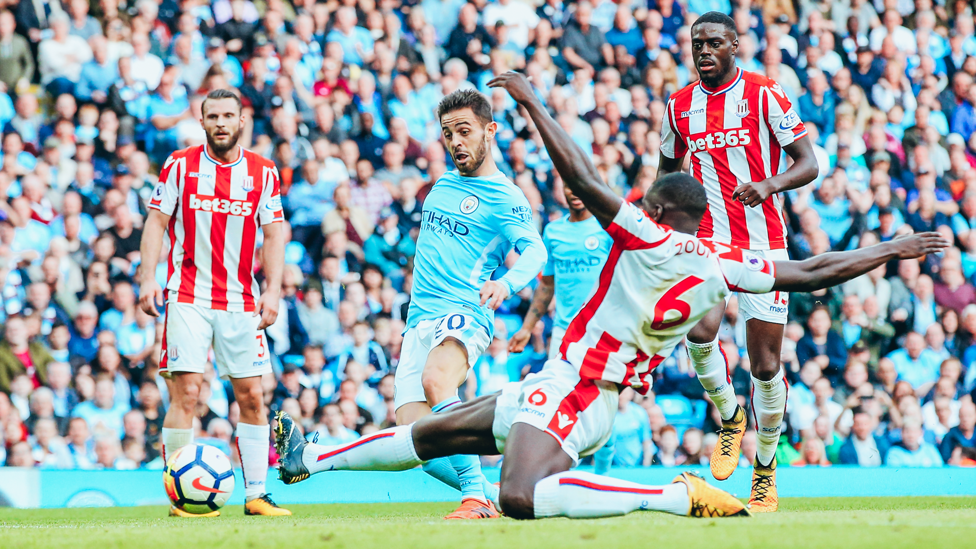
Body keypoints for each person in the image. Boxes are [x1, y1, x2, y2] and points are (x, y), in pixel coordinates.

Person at [272, 71, 947, 522]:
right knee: (432, 432)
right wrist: (890, 249)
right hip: (571, 382)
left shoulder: (644, 235)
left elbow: (580, 173)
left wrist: (533, 103)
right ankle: (311, 459)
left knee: (518, 494)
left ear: (658, 204)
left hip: (581, 389)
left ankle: (672, 495)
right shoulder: (724, 262)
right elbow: (812, 269)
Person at [656, 12, 820, 512]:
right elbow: (667, 172)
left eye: (712, 43)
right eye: (695, 44)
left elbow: (810, 163)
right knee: (698, 332)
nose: (703, 51)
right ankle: (729, 416)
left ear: (734, 45)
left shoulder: (766, 93)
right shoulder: (679, 105)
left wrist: (768, 186)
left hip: (764, 243)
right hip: (706, 243)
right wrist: (660, 224)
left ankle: (765, 472)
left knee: (766, 366)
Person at [392, 88, 548, 520]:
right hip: (419, 319)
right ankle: (489, 491)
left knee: (437, 380)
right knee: (415, 435)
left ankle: (475, 500)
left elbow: (534, 250)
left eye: (465, 131)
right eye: (448, 133)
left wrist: (508, 283)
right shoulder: (441, 186)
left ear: (489, 131)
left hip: (464, 311)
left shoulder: (505, 195)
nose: (456, 141)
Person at [137, 89, 290, 518]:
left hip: (241, 299)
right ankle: (177, 498)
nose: (221, 123)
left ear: (242, 121)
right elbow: (157, 222)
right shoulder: (179, 165)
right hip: (187, 295)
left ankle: (257, 495)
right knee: (186, 391)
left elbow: (275, 232)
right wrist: (147, 277)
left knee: (253, 397)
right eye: (213, 116)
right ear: (202, 122)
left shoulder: (262, 172)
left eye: (228, 115)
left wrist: (273, 290)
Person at [509, 178, 612, 359]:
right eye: (569, 186)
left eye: (580, 185)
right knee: (555, 386)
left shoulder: (607, 228)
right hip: (563, 330)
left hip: (601, 329)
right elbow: (547, 285)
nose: (574, 192)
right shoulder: (553, 231)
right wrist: (526, 328)